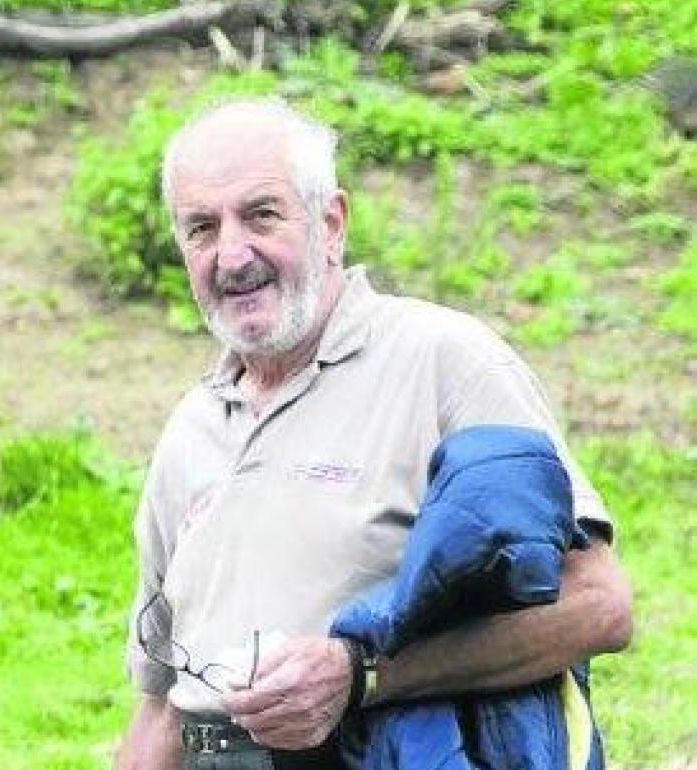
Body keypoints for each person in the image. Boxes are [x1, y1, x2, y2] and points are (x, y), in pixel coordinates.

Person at [115, 98, 634, 770]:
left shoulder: (443, 360)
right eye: (201, 229)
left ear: (331, 223)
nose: (232, 255)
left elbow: (599, 605)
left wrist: (361, 674)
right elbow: (165, 706)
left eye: (262, 214)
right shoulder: (191, 429)